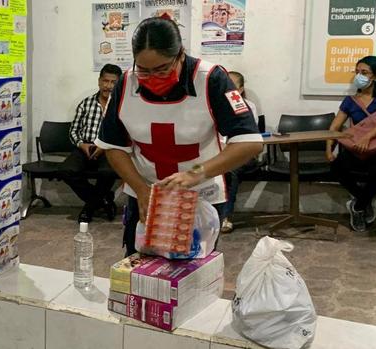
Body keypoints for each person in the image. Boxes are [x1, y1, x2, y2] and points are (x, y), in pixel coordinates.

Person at [96, 17, 263, 256]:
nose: (152, 77)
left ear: (180, 55)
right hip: (144, 195)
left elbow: (249, 142)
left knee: (191, 274)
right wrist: (141, 190)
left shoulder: (211, 79)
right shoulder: (125, 82)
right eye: (144, 70)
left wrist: (194, 174)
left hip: (199, 197)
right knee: (140, 272)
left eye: (162, 69)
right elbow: (113, 146)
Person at [326, 56, 376, 233]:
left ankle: (358, 207)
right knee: (335, 165)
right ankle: (362, 201)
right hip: (356, 149)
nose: (359, 76)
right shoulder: (350, 101)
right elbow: (335, 126)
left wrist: (368, 137)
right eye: (357, 72)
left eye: (364, 72)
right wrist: (329, 148)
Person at [61, 63, 122, 223]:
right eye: (105, 81)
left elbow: (124, 134)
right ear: (99, 81)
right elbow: (73, 130)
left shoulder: (122, 107)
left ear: (119, 84)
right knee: (67, 171)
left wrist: (104, 146)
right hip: (85, 146)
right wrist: (81, 144)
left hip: (109, 149)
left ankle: (89, 207)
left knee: (108, 173)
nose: (108, 86)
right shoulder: (86, 103)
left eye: (113, 82)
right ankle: (102, 200)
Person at [219, 71, 260, 234]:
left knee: (231, 169)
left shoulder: (248, 107)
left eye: (232, 86)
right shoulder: (215, 105)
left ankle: (226, 217)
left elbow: (248, 137)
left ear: (241, 89)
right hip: (218, 153)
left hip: (242, 154)